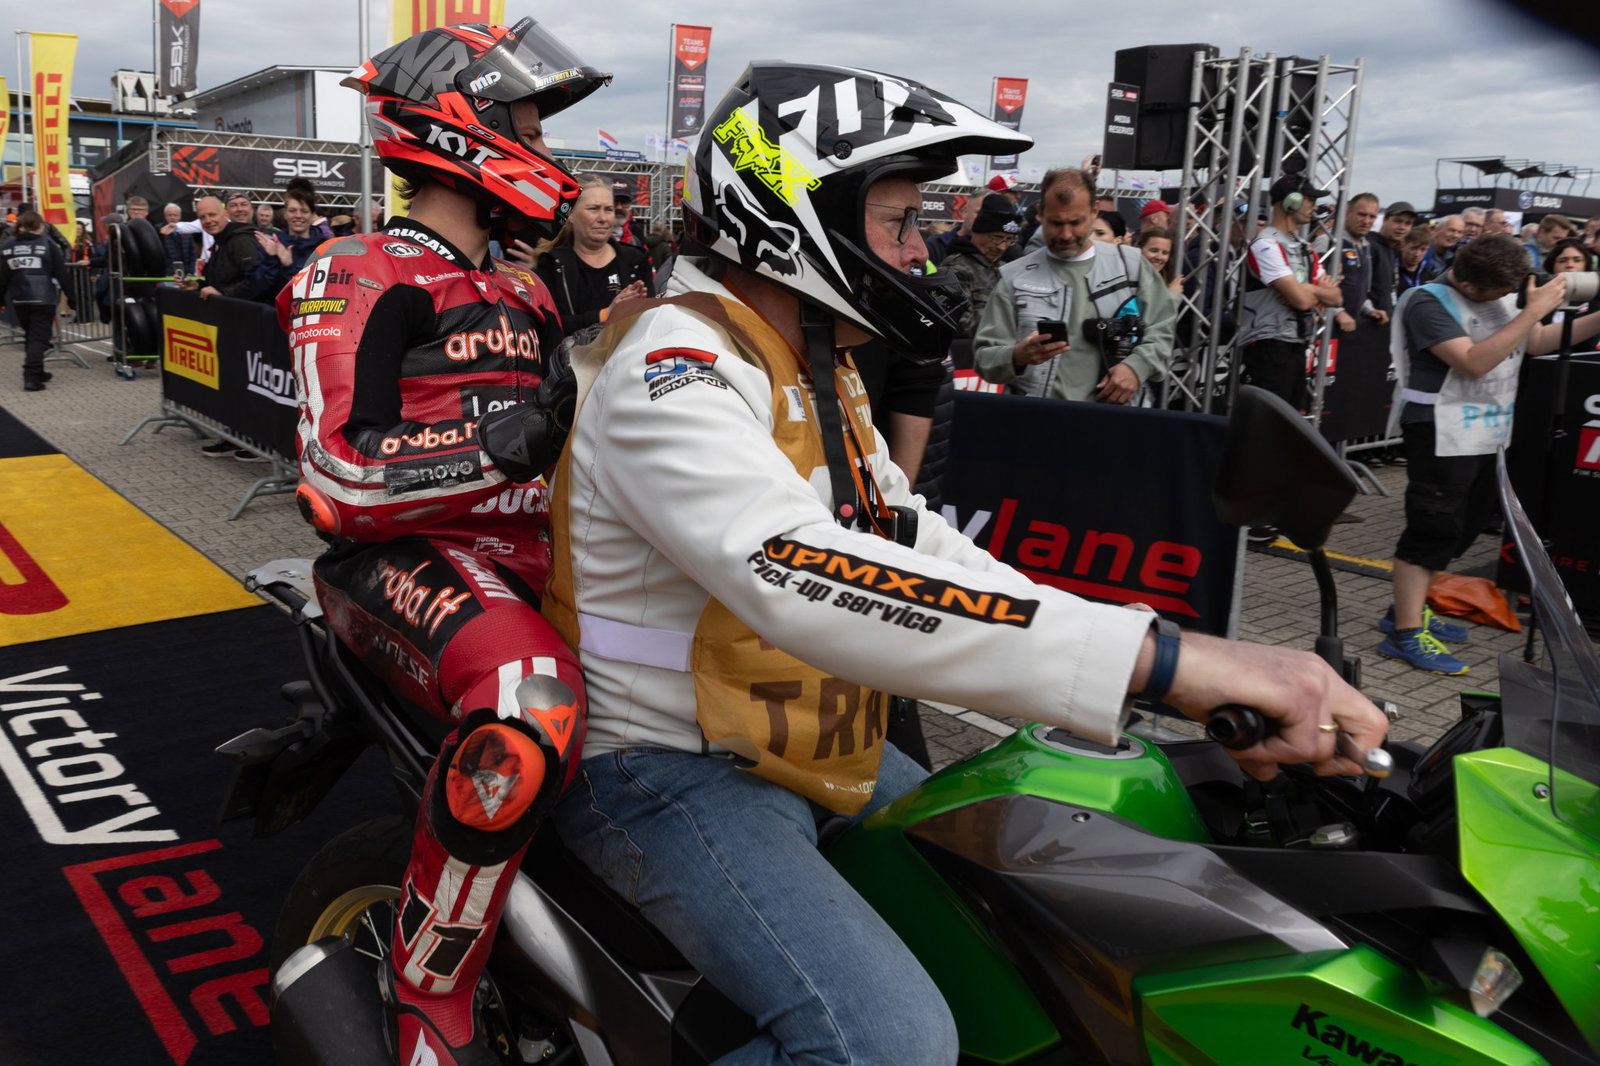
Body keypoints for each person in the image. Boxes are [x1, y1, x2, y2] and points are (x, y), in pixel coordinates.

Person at [544, 59, 1387, 1066]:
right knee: (886, 1041)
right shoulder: (670, 368)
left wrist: (1169, 662)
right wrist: (1168, 667)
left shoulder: (809, 361)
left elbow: (910, 542)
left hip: (807, 739)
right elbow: (802, 575)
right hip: (663, 765)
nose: (924, 251)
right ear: (794, 215)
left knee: (1028, 913)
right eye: (900, 223)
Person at [281, 19, 609, 1064]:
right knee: (532, 695)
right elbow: (335, 476)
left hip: (525, 566)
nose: (545, 150)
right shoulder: (361, 266)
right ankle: (431, 989)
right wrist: (505, 443)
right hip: (399, 561)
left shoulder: (525, 286)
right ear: (458, 124)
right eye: (525, 121)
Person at [1380, 233, 1600, 674]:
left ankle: (1407, 608)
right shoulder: (1427, 301)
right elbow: (1474, 361)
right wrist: (1533, 309)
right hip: (1440, 432)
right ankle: (1405, 632)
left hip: (1486, 431)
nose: (1508, 300)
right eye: (1501, 294)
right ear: (1471, 286)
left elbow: (1535, 342)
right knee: (1432, 529)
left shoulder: (1500, 294)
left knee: (1466, 525)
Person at [973, 166, 1174, 404]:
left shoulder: (1132, 265)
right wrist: (1017, 356)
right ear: (1040, 213)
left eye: (1076, 223)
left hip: (1114, 422)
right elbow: (984, 358)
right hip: (1037, 422)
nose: (1066, 234)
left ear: (1094, 211)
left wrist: (1136, 366)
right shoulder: (1014, 277)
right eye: (1056, 223)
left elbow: (1162, 330)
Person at [1235, 174, 1344, 410]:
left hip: (1296, 344)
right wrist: (1312, 293)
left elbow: (1336, 297)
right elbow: (1302, 301)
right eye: (1309, 199)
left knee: (1288, 424)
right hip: (1268, 346)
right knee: (1268, 425)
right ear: (1290, 200)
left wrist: (1307, 289)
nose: (1314, 206)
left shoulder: (1305, 247)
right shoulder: (1265, 244)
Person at [533, 177, 654, 339]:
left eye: (608, 210)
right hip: (572, 361)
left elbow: (652, 321)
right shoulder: (552, 264)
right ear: (571, 215)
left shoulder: (636, 260)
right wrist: (605, 315)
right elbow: (548, 325)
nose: (603, 218)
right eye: (593, 209)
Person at [0, 211, 73, 391]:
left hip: (19, 299)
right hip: (43, 298)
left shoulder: (8, 245)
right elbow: (62, 274)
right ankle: (31, 376)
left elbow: (2, 276)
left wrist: (0, 299)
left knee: (31, 335)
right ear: (40, 226)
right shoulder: (47, 244)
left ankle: (38, 371)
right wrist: (73, 298)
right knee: (39, 339)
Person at [938, 192, 1019, 338]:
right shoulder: (955, 268)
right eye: (997, 238)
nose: (1002, 247)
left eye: (1009, 240)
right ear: (978, 232)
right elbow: (958, 322)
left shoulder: (1005, 268)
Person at [1334, 192, 1391, 332]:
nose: (1366, 221)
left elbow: (1361, 290)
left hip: (1352, 326)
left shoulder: (1366, 246)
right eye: (1361, 214)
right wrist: (1337, 312)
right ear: (1348, 213)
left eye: (1372, 216)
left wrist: (1369, 309)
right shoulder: (1330, 242)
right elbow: (1315, 286)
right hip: (1326, 327)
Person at [254, 183, 322, 296]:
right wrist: (270, 259)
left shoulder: (325, 247)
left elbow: (319, 291)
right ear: (285, 214)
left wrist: (289, 266)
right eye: (292, 210)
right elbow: (259, 289)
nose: (298, 215)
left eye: (304, 211)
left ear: (312, 215)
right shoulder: (272, 244)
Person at [1136, 225, 1184, 294]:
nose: (1159, 257)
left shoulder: (1164, 280)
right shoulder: (1129, 280)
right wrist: (1172, 294)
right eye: (1154, 250)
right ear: (1140, 249)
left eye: (1165, 253)